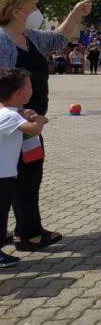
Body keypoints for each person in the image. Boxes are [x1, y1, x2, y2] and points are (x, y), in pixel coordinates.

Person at [0, 0, 91, 251]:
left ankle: (28, 229)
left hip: (27, 121)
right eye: (31, 6)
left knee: (27, 174)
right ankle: (28, 234)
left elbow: (58, 39)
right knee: (22, 176)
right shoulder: (3, 39)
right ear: (16, 11)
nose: (35, 10)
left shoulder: (25, 35)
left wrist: (76, 13)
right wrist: (18, 115)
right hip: (16, 123)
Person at [0, 69, 49, 266]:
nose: (32, 88)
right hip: (2, 175)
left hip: (5, 173)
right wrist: (37, 118)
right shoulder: (9, 116)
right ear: (19, 93)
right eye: (29, 85)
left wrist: (24, 112)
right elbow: (35, 128)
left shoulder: (9, 112)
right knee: (1, 214)